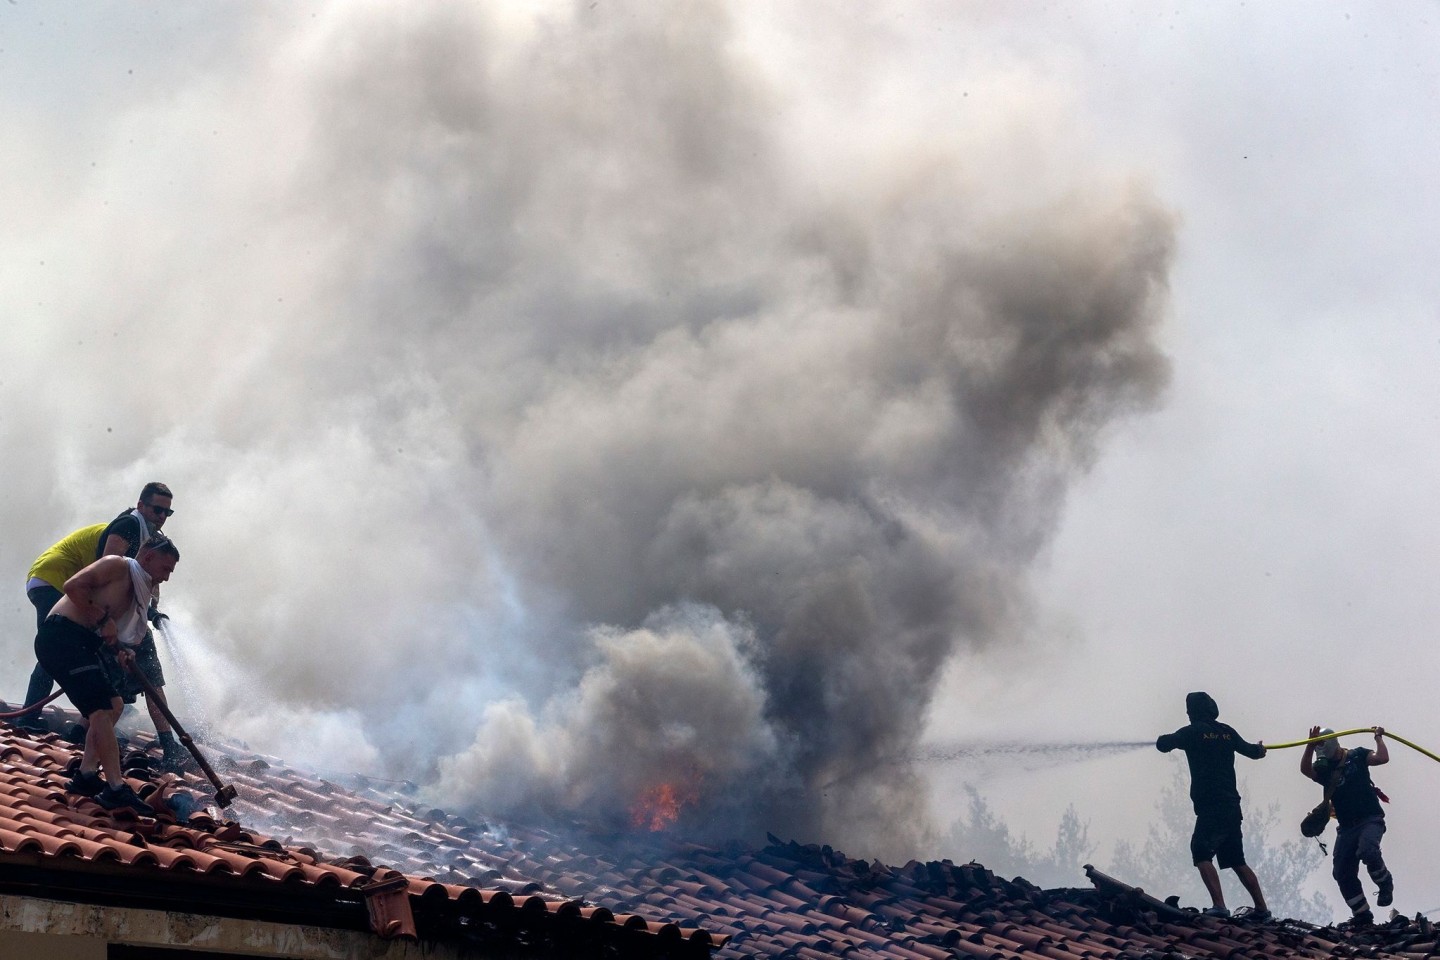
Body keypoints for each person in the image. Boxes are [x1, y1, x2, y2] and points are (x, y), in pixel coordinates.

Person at [14, 483, 182, 756]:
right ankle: (29, 719)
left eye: (168, 512)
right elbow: (108, 567)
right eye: (157, 509)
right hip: (54, 579)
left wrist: (149, 611)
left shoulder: (147, 537)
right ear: (141, 506)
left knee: (82, 651)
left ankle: (87, 724)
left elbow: (136, 583)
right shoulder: (128, 525)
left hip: (63, 582)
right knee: (58, 646)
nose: (162, 516)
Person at [34, 535, 180, 815]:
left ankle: (86, 775)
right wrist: (102, 620)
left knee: (115, 706)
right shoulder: (117, 566)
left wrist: (122, 650)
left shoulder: (141, 591)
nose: (166, 578)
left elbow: (113, 632)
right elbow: (73, 586)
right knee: (101, 708)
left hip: (85, 644)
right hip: (60, 636)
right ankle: (115, 788)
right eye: (165, 569)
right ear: (148, 558)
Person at [1156, 691, 1270, 920]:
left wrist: (1162, 741)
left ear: (1193, 712)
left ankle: (1219, 906)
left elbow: (1165, 744)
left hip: (1211, 806)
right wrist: (1260, 750)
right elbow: (1253, 752)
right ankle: (1262, 910)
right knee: (1237, 860)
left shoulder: (1192, 732)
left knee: (1200, 850)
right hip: (1231, 806)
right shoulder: (1227, 732)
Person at [1301, 726, 1393, 925]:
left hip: (1370, 819)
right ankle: (1362, 915)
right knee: (1341, 871)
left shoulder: (1357, 756)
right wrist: (1309, 746)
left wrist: (1378, 738)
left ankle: (1385, 882)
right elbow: (1306, 770)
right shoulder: (1324, 770)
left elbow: (1382, 758)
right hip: (1346, 827)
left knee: (1368, 851)